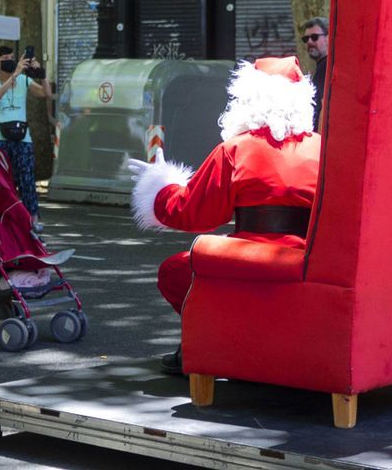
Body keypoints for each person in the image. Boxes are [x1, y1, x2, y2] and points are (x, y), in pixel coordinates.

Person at [128, 56, 320, 375]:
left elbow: (194, 212)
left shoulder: (236, 149)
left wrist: (160, 182)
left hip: (245, 263)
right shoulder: (322, 149)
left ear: (246, 98)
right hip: (308, 263)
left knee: (175, 271)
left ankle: (207, 342)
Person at [0, 45, 52, 227]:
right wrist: (14, 74)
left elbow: (47, 94)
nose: (11, 60)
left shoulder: (24, 80)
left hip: (23, 138)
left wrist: (42, 74)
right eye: (5, 58)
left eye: (12, 57)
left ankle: (33, 221)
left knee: (27, 179)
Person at [300, 17, 329, 129]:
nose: (309, 42)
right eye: (306, 39)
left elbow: (324, 106)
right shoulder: (323, 65)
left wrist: (319, 142)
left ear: (328, 38)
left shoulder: (326, 66)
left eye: (314, 37)